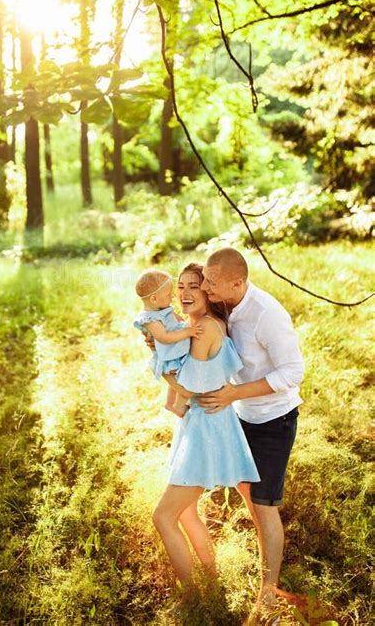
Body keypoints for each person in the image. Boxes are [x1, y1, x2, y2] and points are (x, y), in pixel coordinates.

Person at [197, 247, 304, 622]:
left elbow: (293, 374)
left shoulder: (267, 315)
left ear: (237, 282)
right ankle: (263, 536)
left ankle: (268, 594)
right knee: (246, 490)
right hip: (241, 415)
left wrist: (233, 393)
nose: (205, 286)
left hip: (274, 420)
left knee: (263, 504)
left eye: (212, 281)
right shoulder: (224, 303)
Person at [151, 263, 260, 609]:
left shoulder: (206, 327)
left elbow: (190, 385)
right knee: (185, 513)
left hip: (207, 433)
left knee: (163, 517)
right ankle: (212, 584)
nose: (183, 293)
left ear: (207, 293)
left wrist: (155, 357)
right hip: (201, 424)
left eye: (193, 287)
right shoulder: (195, 327)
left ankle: (192, 595)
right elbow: (186, 399)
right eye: (180, 286)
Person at [134, 268, 203, 417]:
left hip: (174, 352)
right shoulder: (149, 318)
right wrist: (187, 332)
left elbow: (176, 321)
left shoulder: (162, 309)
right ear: (154, 299)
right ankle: (177, 406)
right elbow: (164, 337)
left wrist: (185, 325)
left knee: (180, 381)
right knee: (185, 387)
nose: (172, 297)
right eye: (168, 294)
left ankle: (173, 404)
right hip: (167, 357)